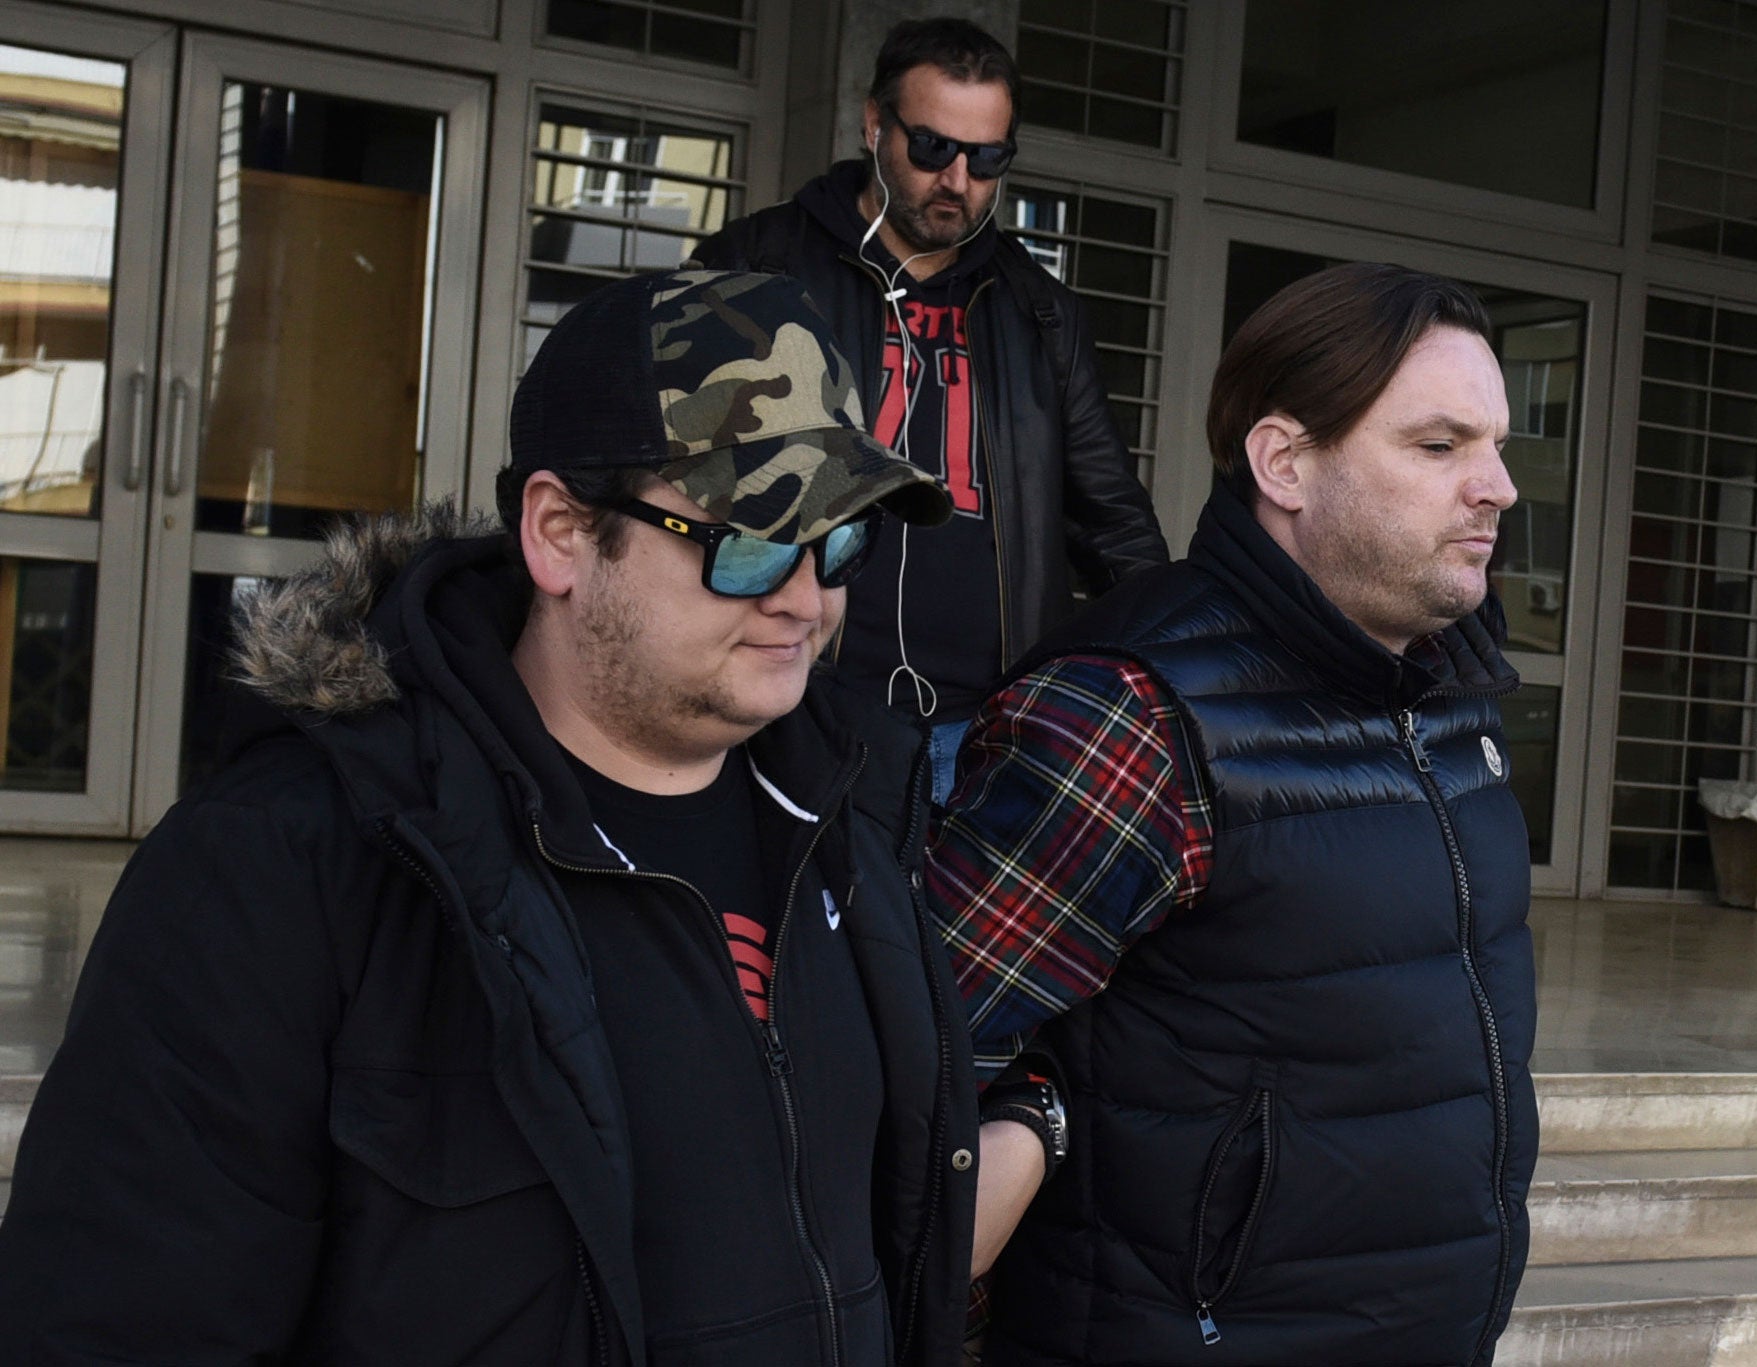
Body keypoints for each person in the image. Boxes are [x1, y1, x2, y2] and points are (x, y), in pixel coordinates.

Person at [0, 270, 984, 1365]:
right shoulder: (291, 862)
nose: (803, 597)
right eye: (749, 538)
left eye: (837, 540)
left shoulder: (851, 824)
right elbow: (117, 1319)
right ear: (560, 533)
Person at [931, 262, 1539, 1365]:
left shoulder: (1453, 698)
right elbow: (927, 1059)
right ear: (1284, 462)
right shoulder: (1127, 712)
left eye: (1495, 446)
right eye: (1439, 445)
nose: (1494, 486)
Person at [691, 16, 1168, 800]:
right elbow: (676, 473)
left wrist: (1173, 675)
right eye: (932, 148)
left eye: (987, 159)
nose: (957, 180)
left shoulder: (1037, 311)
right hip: (792, 706)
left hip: (985, 729)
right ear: (875, 124)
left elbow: (1112, 520)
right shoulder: (756, 265)